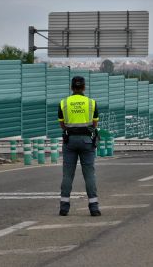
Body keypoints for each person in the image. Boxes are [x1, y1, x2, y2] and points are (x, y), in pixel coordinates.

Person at [58, 76, 101, 216]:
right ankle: (93, 207)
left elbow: (62, 124)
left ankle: (64, 207)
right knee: (89, 174)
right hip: (87, 141)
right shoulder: (91, 103)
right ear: (84, 87)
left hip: (69, 140)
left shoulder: (64, 103)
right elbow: (94, 125)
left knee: (68, 174)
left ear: (71, 87)